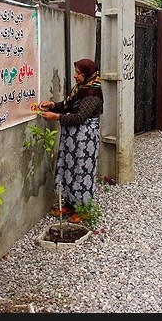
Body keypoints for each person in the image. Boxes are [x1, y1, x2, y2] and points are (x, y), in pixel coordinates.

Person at [39, 58, 103, 223]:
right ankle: (70, 203)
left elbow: (80, 117)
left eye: (78, 73)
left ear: (87, 75)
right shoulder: (81, 89)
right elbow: (68, 106)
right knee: (69, 167)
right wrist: (53, 105)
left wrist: (55, 117)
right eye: (75, 72)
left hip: (84, 139)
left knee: (81, 171)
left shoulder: (92, 93)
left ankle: (84, 209)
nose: (75, 76)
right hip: (72, 137)